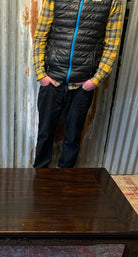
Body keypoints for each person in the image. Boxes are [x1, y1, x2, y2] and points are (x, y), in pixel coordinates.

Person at [32, 0, 123, 168]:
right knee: (45, 134)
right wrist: (41, 74)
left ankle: (66, 181)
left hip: (82, 86)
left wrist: (94, 80)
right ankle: (40, 179)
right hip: (52, 82)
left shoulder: (112, 2)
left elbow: (112, 46)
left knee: (73, 137)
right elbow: (40, 37)